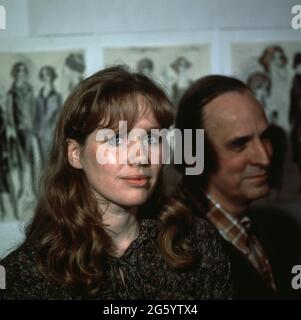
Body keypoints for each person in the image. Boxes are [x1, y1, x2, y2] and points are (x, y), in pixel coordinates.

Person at [0, 66, 232, 300]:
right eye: (116, 139)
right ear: (75, 154)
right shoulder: (25, 273)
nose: (140, 157)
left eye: (152, 138)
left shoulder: (196, 243)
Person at [171, 75, 300, 299]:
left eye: (265, 137)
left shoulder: (282, 228)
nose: (265, 158)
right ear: (193, 155)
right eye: (239, 144)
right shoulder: (170, 249)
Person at [35, 65, 62, 164]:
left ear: (52, 76)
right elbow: (37, 114)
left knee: (54, 159)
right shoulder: (39, 95)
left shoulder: (57, 96)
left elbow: (59, 115)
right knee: (44, 160)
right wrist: (37, 130)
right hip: (41, 133)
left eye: (48, 74)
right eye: (44, 75)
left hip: (52, 132)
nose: (46, 77)